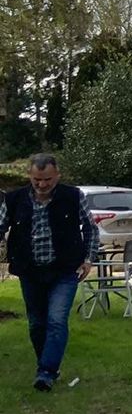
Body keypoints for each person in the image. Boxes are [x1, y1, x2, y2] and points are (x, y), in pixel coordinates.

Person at [0, 154, 98, 391]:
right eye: (37, 180)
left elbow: (91, 229)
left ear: (57, 176)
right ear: (29, 177)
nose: (42, 185)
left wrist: (88, 260)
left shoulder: (74, 196)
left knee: (56, 320)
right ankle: (45, 363)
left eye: (47, 180)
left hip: (65, 270)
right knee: (36, 323)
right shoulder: (14, 200)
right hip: (29, 270)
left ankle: (46, 372)